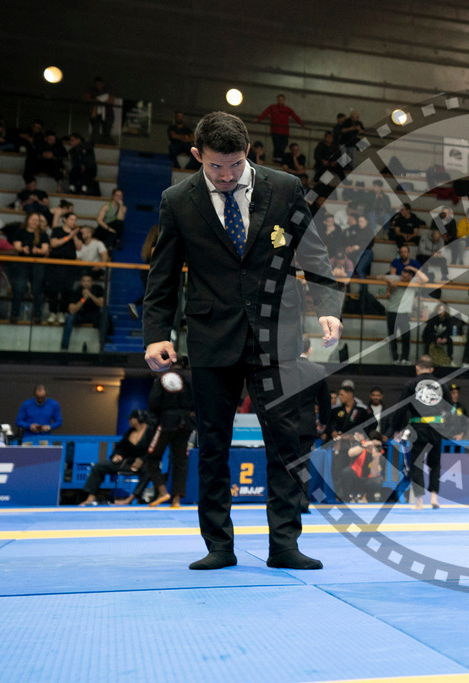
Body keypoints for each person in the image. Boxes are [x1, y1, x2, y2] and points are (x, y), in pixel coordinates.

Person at [143, 111, 343, 571]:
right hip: (212, 336)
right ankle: (218, 545)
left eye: (235, 164)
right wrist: (156, 335)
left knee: (286, 443)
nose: (227, 175)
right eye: (216, 166)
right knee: (213, 444)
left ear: (248, 152)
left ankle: (285, 545)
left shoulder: (286, 188)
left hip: (278, 333)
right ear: (197, 155)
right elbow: (163, 276)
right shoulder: (178, 200)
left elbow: (313, 253)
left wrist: (327, 307)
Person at [391, 355, 453, 510]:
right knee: (435, 463)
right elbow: (450, 407)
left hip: (417, 427)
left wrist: (396, 428)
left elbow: (402, 408)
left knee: (416, 462)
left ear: (417, 368)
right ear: (432, 369)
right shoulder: (441, 385)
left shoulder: (411, 384)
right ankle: (434, 498)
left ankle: (419, 501)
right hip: (436, 427)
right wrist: (447, 427)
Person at [142, 362, 195, 508]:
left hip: (166, 422)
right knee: (180, 460)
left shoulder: (162, 378)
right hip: (186, 422)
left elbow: (154, 402)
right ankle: (176, 499)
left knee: (151, 458)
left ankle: (162, 491)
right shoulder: (189, 378)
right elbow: (195, 400)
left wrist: (153, 419)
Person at [78, 411, 152, 506]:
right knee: (99, 467)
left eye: (131, 418)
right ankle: (91, 497)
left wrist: (141, 460)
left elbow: (152, 449)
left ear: (138, 419)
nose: (129, 421)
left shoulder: (150, 432)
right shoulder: (129, 432)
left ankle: (130, 499)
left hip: (144, 463)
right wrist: (117, 455)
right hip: (127, 463)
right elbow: (121, 447)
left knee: (149, 470)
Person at [59, 273, 104, 351]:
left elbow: (101, 304)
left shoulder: (98, 289)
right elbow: (72, 310)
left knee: (103, 315)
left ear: (92, 283)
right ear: (80, 282)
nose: (86, 283)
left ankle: (103, 346)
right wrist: (83, 299)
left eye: (88, 281)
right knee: (69, 318)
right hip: (80, 315)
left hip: (94, 315)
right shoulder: (76, 291)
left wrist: (90, 295)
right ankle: (64, 348)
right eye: (84, 281)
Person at [255, 94, 304, 162]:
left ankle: (280, 160)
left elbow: (295, 117)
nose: (280, 101)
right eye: (279, 99)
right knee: (277, 146)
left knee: (283, 146)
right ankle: (276, 160)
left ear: (284, 100)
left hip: (284, 132)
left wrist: (302, 124)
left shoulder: (287, 109)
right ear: (277, 100)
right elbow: (265, 113)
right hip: (275, 131)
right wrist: (258, 119)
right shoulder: (272, 107)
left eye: (282, 99)